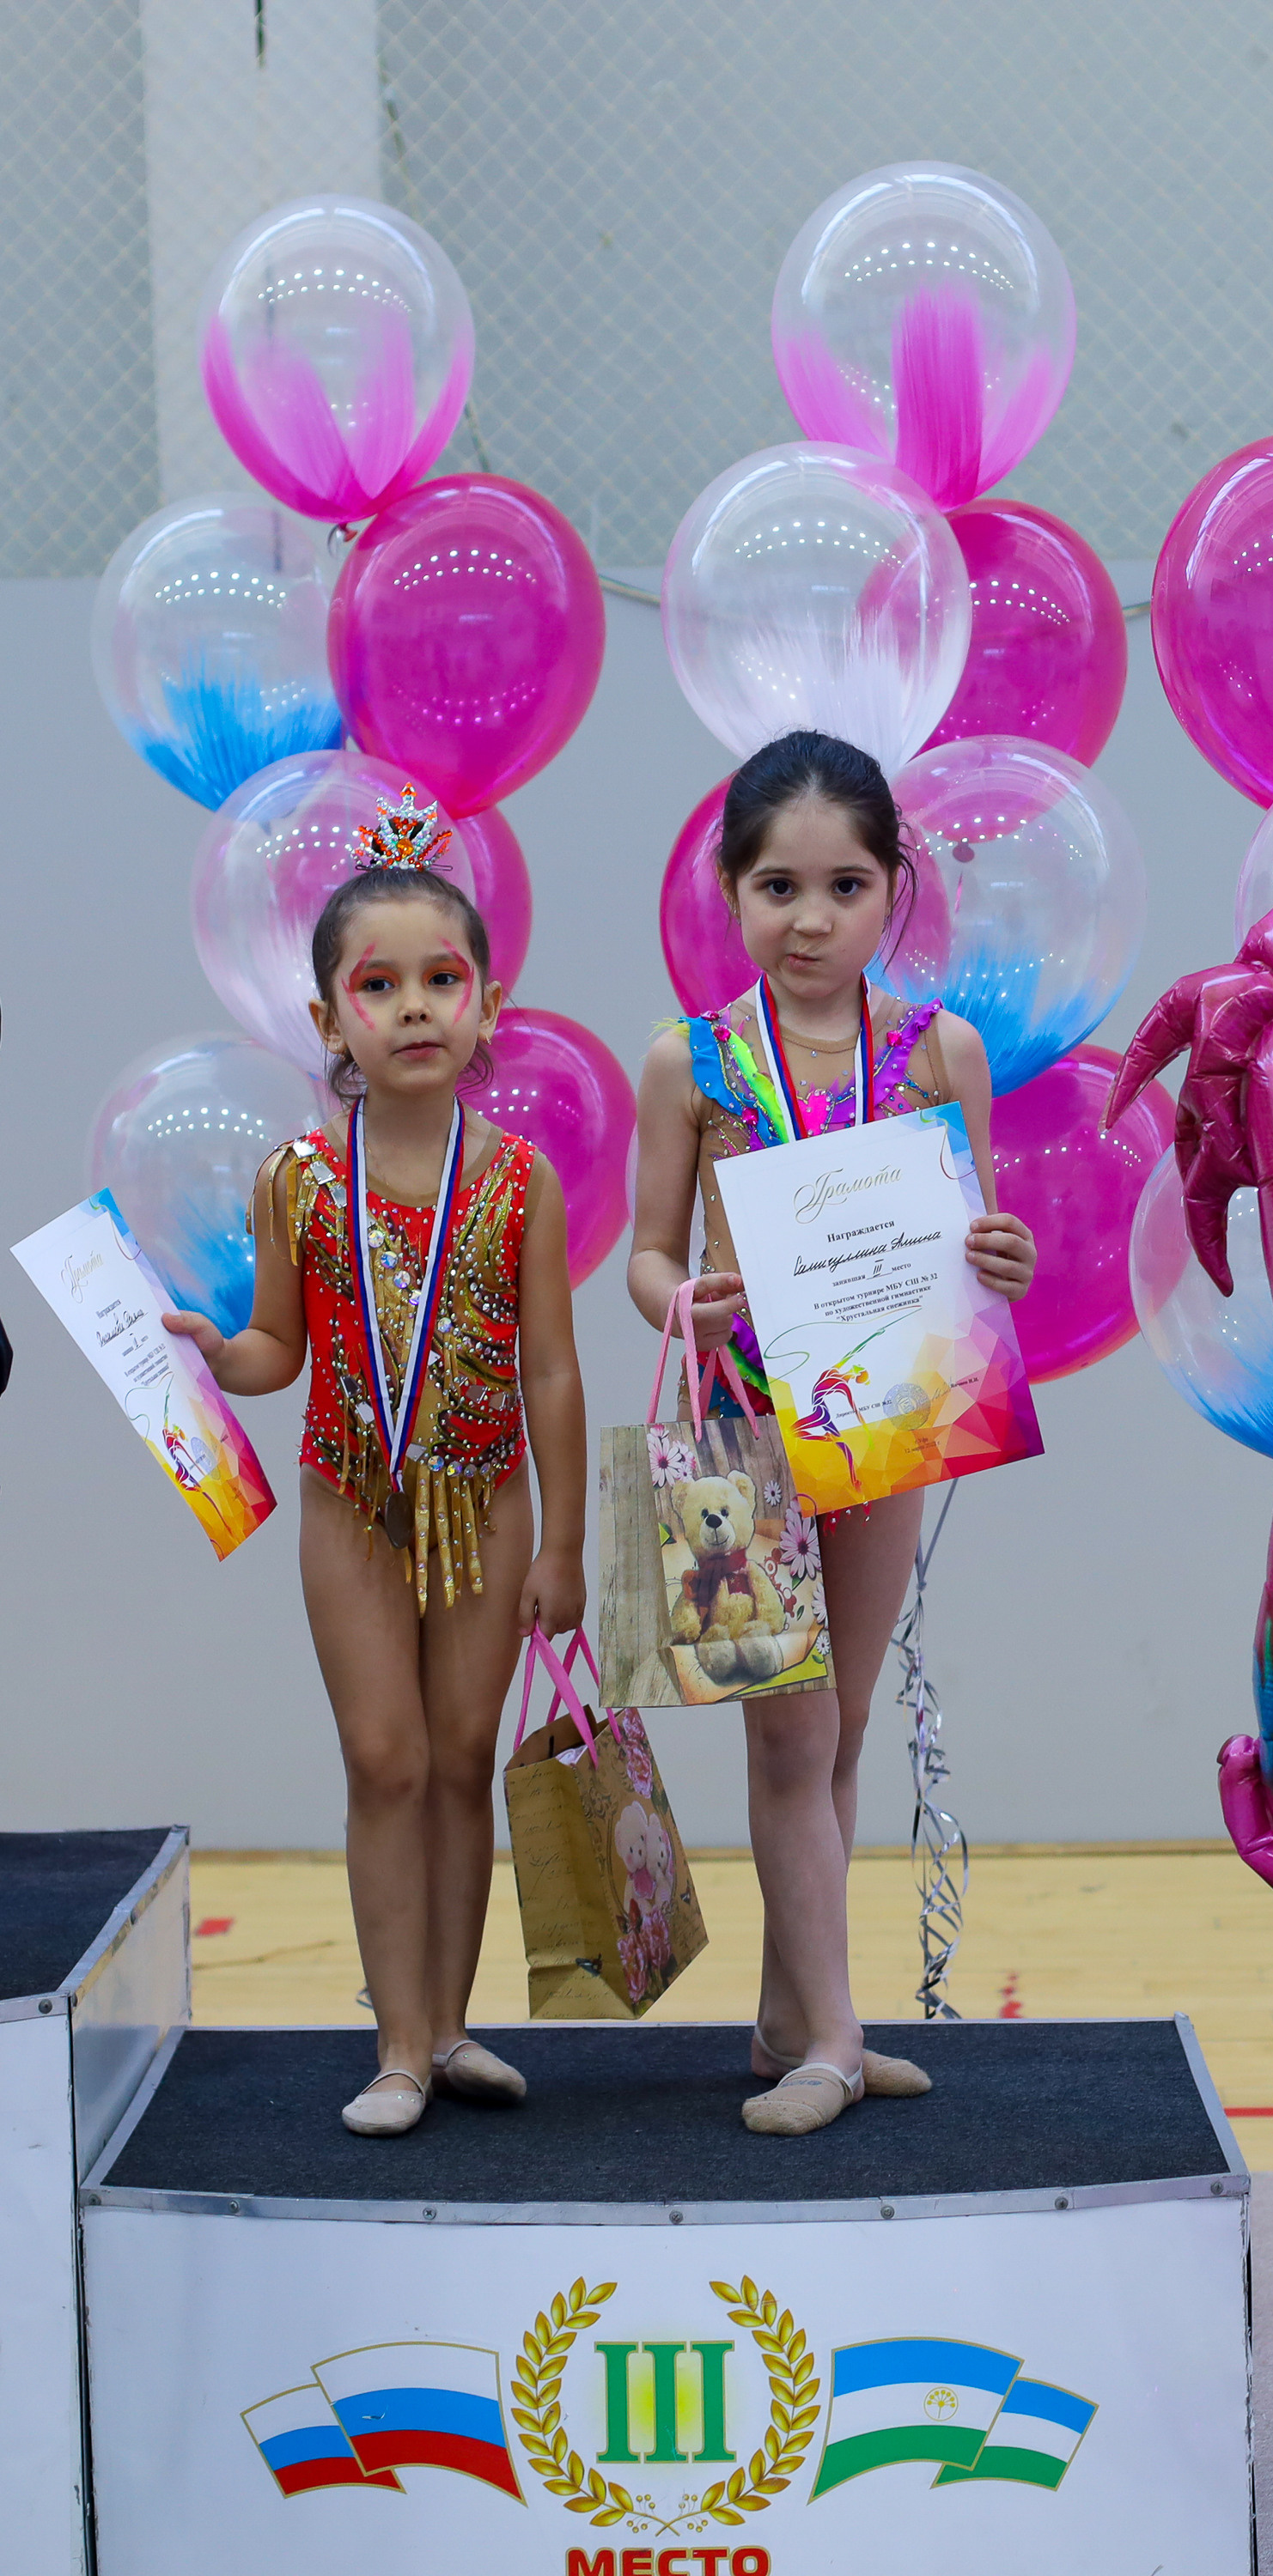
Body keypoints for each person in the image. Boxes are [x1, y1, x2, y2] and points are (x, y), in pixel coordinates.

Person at [629, 732, 1037, 2136]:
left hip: (886, 1435)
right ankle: (842, 2044)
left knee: (842, 1725)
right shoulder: (688, 1066)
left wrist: (1003, 1260)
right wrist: (681, 1296)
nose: (811, 919)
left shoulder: (941, 1055)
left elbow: (970, 1239)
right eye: (778, 887)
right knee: (790, 1745)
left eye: (845, 886)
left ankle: (787, 2017)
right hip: (736, 1448)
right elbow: (641, 1255)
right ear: (730, 891)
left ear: (892, 890)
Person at [165, 786, 587, 2139]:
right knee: (384, 1756)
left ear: (487, 999)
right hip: (353, 1504)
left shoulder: (520, 1178)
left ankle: (453, 2027)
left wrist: (567, 1541)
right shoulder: (298, 1179)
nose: (415, 1007)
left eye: (441, 980)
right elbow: (279, 1348)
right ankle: (397, 2044)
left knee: (465, 1755)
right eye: (380, 983)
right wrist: (216, 1357)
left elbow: (553, 1371)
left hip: (492, 1501)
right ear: (328, 1016)